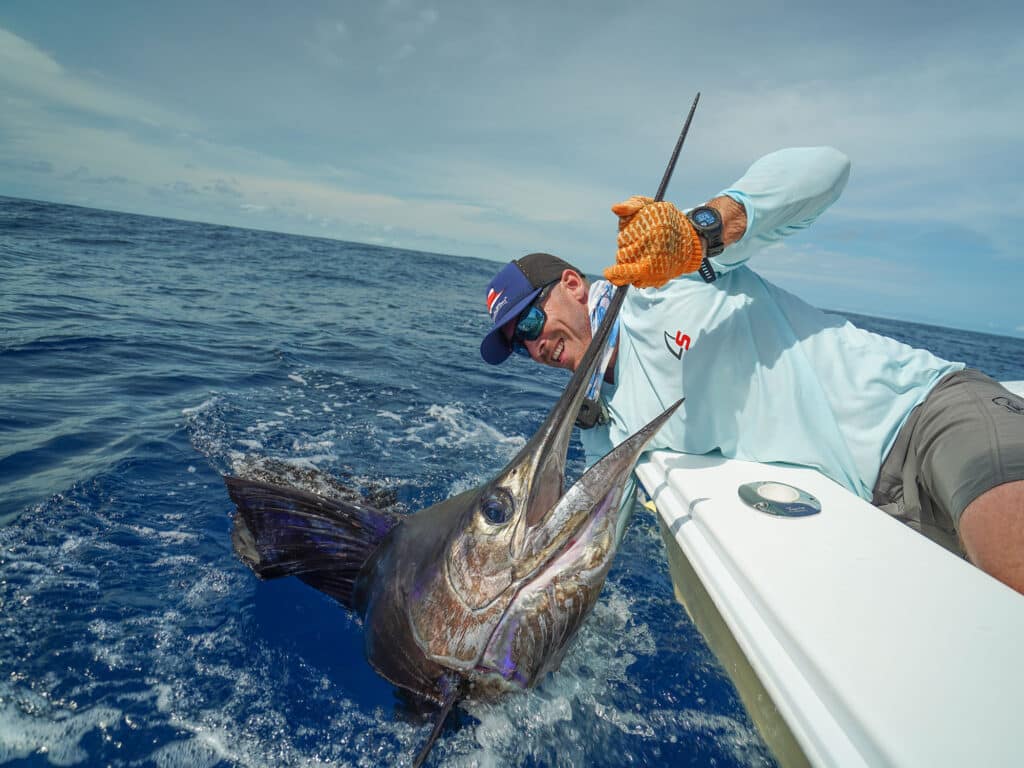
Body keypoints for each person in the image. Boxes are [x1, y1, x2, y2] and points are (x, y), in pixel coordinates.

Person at [479, 147, 1024, 594]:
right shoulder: (604, 425)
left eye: (528, 322)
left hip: (924, 417)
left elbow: (828, 169)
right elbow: (593, 546)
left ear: (573, 284)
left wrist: (702, 233)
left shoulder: (669, 275)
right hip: (871, 511)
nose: (533, 348)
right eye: (516, 346)